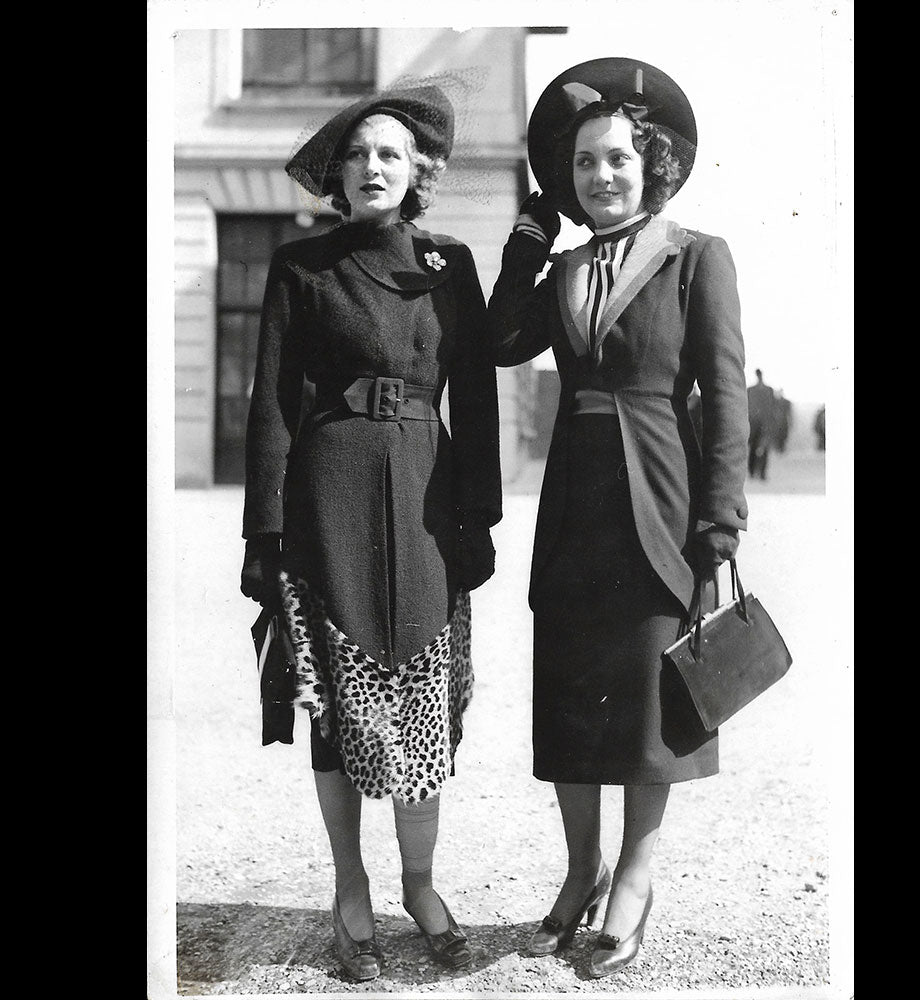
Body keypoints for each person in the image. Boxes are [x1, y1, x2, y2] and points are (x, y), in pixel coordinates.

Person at [486, 58, 750, 979]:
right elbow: (500, 341)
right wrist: (525, 241)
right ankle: (580, 868)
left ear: (653, 165)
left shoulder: (695, 256)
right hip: (574, 506)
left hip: (660, 502)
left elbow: (724, 397)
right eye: (585, 164)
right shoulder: (559, 268)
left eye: (618, 160)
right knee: (568, 691)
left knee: (646, 700)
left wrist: (719, 525)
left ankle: (634, 876)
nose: (602, 176)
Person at [239, 84, 502, 982]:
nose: (374, 166)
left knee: (423, 699)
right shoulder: (300, 266)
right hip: (329, 496)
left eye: (391, 153)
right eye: (358, 154)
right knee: (338, 703)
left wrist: (482, 513)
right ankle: (351, 891)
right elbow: (273, 404)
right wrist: (264, 532)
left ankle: (419, 886)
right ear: (338, 175)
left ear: (419, 170)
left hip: (428, 495)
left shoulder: (449, 264)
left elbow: (477, 395)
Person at [747, 368, 776, 479]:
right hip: (756, 423)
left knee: (762, 448)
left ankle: (759, 472)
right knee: (755, 447)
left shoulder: (765, 390)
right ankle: (754, 472)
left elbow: (772, 408)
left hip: (762, 423)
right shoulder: (755, 390)